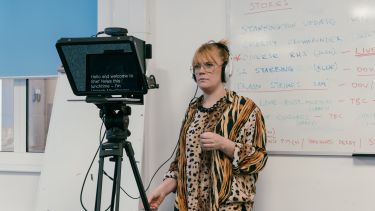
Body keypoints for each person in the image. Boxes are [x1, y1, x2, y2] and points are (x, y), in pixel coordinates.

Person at [147, 40, 268, 210]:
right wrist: (163, 189)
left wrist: (225, 145)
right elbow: (180, 163)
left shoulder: (245, 109)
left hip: (227, 206)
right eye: (197, 67)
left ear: (225, 70)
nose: (201, 71)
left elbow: (259, 159)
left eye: (209, 65)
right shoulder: (192, 110)